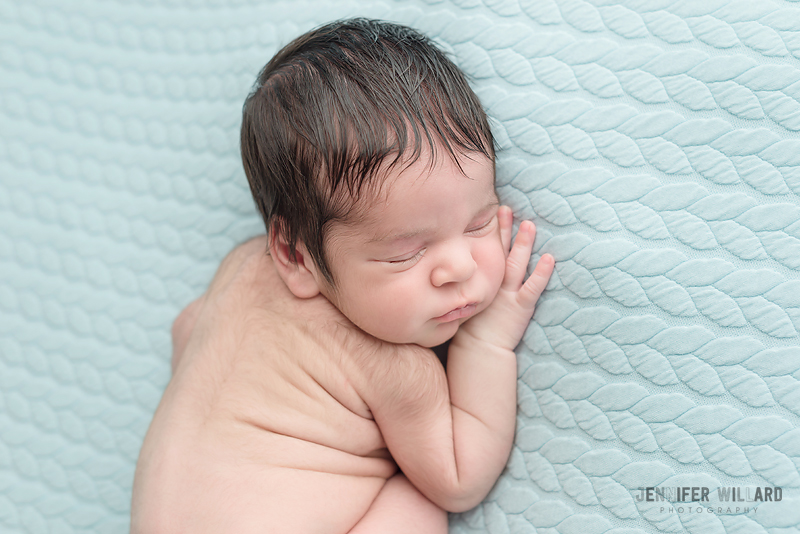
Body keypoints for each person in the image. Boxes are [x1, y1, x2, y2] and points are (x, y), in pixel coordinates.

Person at [131, 18, 554, 533]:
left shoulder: (238, 269)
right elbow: (460, 480)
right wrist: (485, 343)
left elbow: (186, 329)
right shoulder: (398, 370)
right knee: (420, 497)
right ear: (296, 255)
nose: (460, 268)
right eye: (405, 254)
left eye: (480, 221)